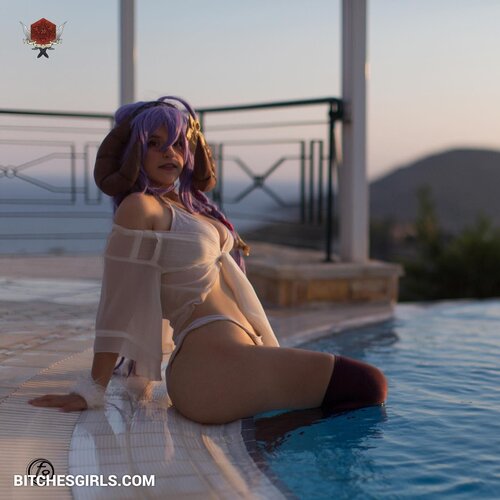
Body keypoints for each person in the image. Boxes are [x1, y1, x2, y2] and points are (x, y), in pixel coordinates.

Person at [29, 96, 387, 425]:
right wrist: (92, 389)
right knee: (367, 383)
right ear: (133, 152)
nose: (169, 153)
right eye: (153, 143)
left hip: (238, 354)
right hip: (207, 369)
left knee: (358, 389)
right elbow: (116, 301)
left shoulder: (190, 207)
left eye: (177, 143)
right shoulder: (139, 208)